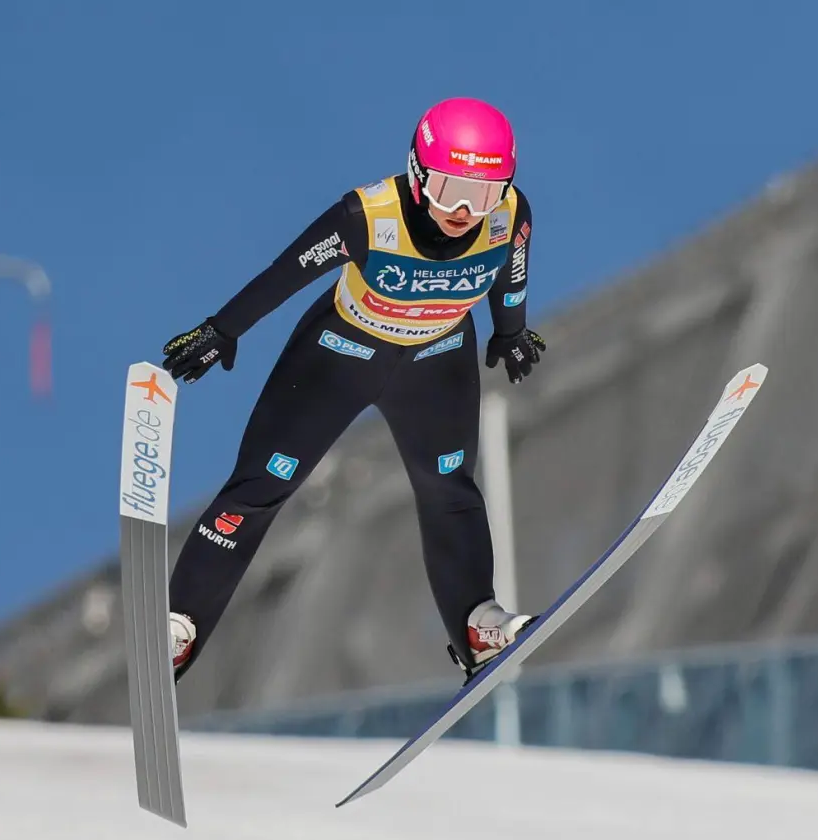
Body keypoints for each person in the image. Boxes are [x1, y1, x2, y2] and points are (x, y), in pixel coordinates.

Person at [159, 97, 545, 684]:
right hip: (341, 355)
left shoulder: (511, 216)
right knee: (262, 487)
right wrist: (221, 330)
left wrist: (511, 333)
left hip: (435, 360)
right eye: (447, 188)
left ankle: (476, 624)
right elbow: (285, 274)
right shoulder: (368, 215)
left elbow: (509, 277)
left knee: (450, 489)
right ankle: (179, 624)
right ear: (417, 174)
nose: (464, 210)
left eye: (483, 192)